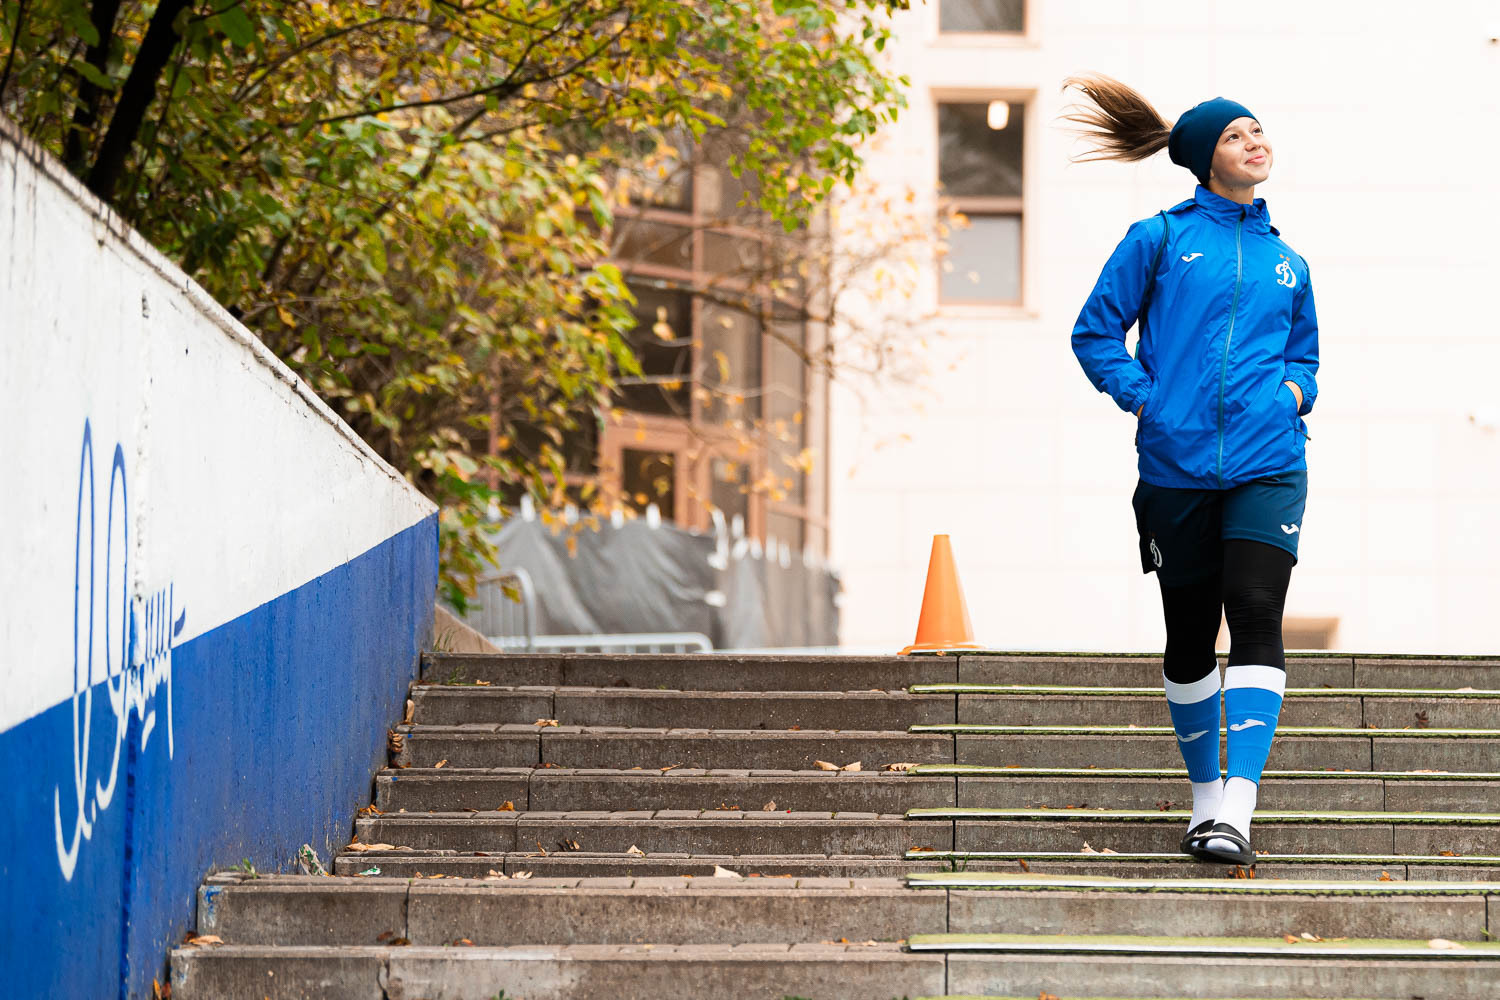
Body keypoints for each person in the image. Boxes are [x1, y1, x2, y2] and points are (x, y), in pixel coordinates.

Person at [1061, 74, 1319, 865]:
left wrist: (1291, 393)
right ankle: (1204, 800)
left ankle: (1237, 808)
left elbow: (1306, 358)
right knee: (1186, 636)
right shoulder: (1160, 239)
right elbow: (1095, 333)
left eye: (1260, 130)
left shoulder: (1289, 262)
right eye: (1239, 134)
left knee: (1254, 608)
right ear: (1208, 156)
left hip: (1268, 463)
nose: (1256, 142)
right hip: (1174, 467)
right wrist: (1148, 401)